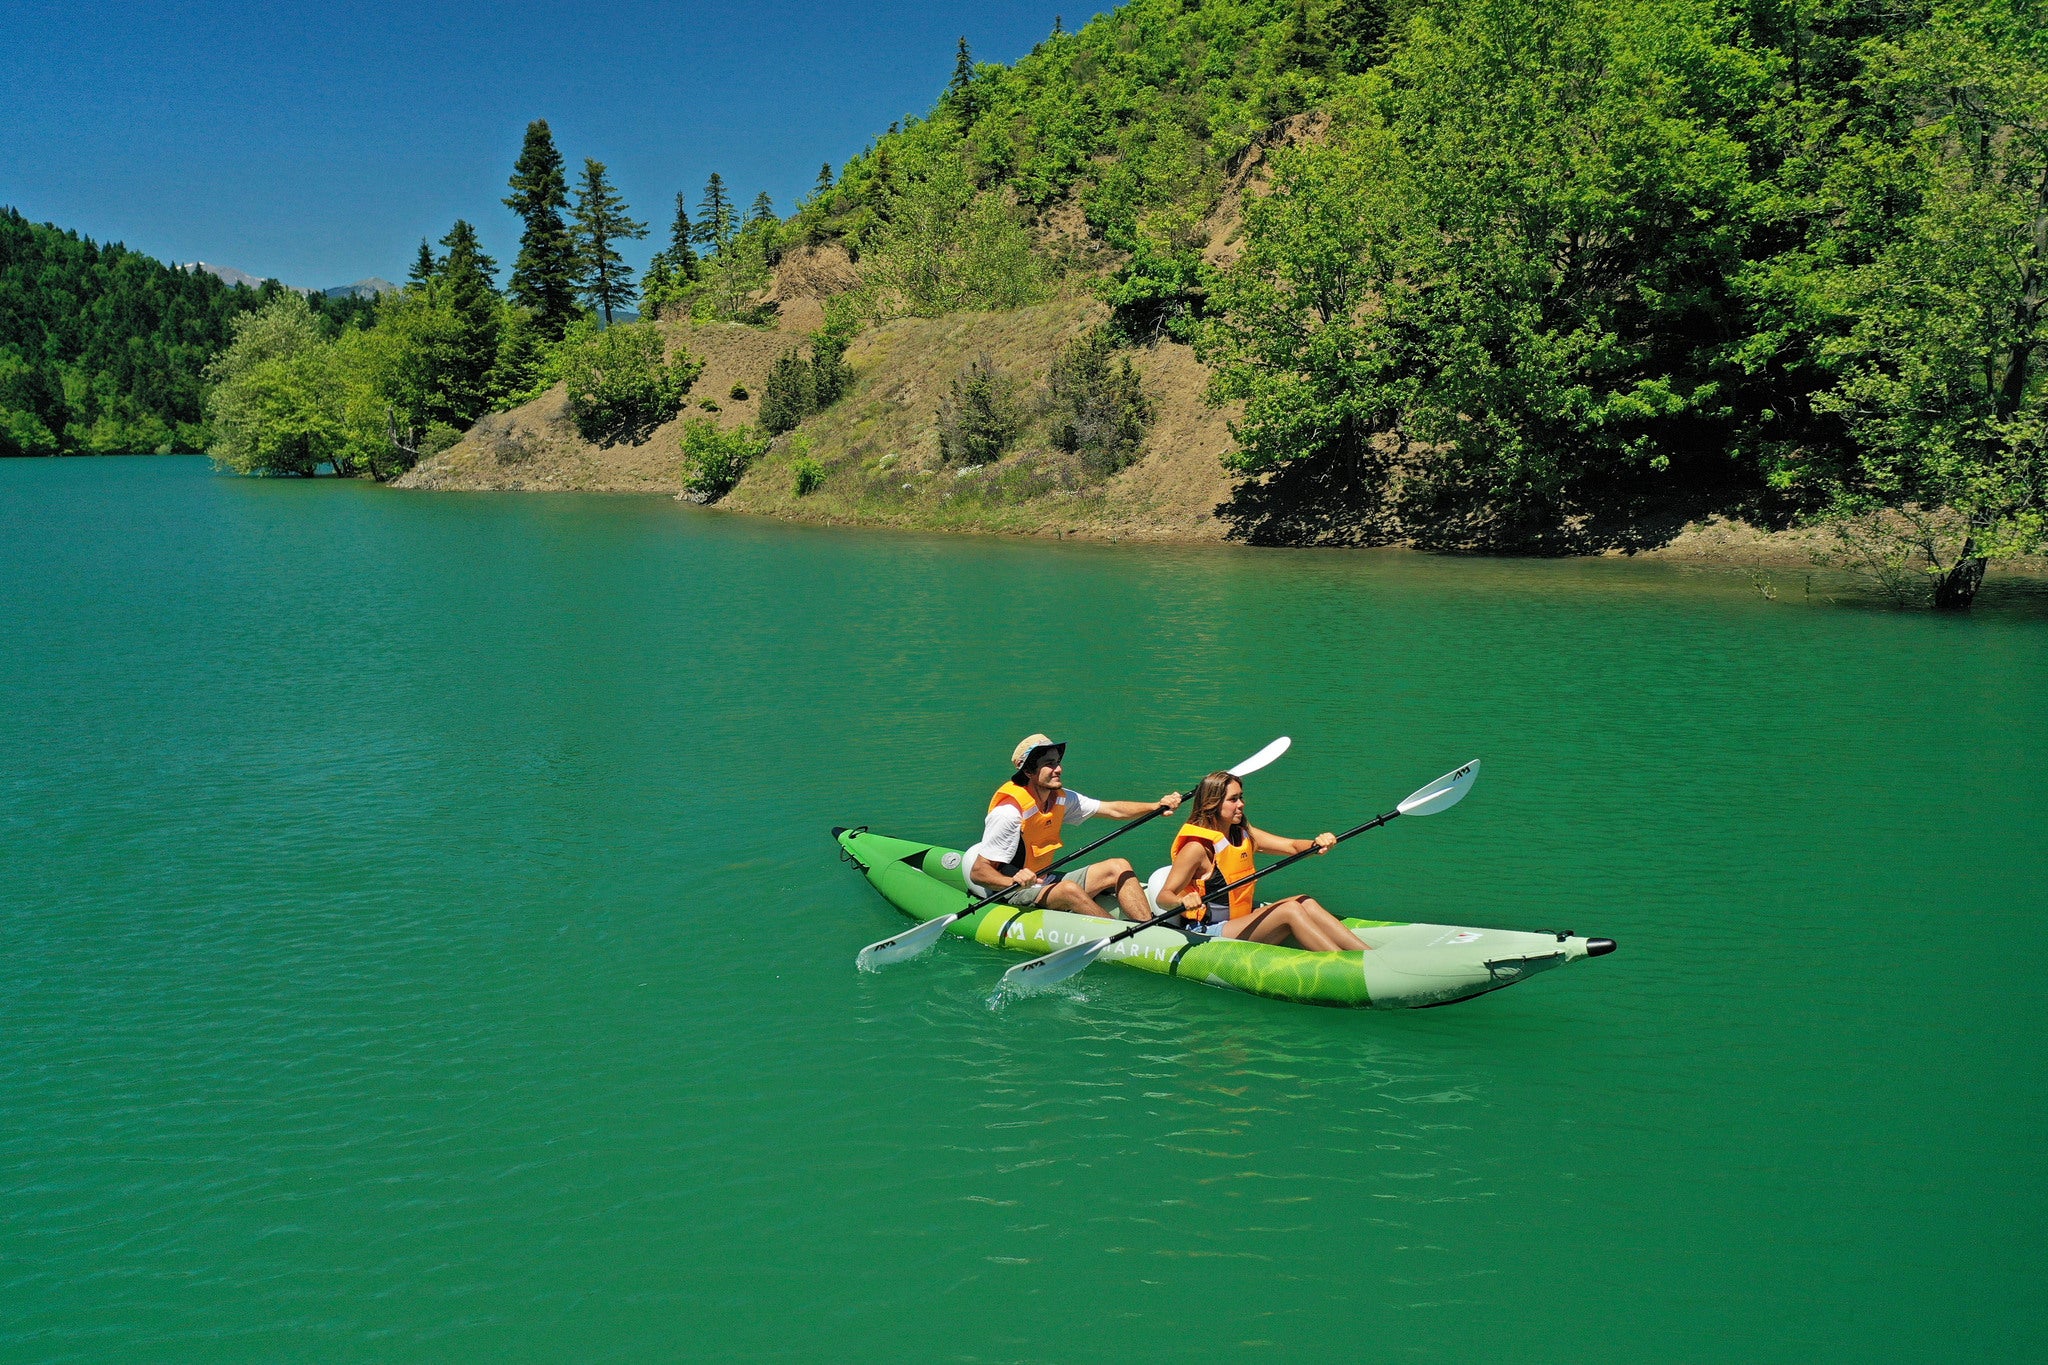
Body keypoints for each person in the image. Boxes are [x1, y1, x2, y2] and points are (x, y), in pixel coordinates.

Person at [966, 734, 1182, 920]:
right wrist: (1013, 880)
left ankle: (1148, 925)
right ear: (1029, 772)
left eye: (1057, 761)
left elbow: (1112, 809)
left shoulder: (1060, 798)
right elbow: (979, 872)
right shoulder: (1009, 813)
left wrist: (1155, 806)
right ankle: (1122, 937)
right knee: (1070, 890)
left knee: (1119, 865)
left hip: (1044, 879)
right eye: (1049, 764)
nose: (1058, 768)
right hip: (1013, 891)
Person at [1151, 770, 1369, 952]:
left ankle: (1366, 955)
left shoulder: (1243, 834)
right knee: (1290, 910)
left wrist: (1316, 844)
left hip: (1240, 920)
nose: (1241, 804)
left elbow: (1292, 846)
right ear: (1213, 804)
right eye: (1233, 799)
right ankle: (1344, 964)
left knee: (1304, 901)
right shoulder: (1196, 848)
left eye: (1241, 797)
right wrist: (1183, 901)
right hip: (1208, 930)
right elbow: (1164, 896)